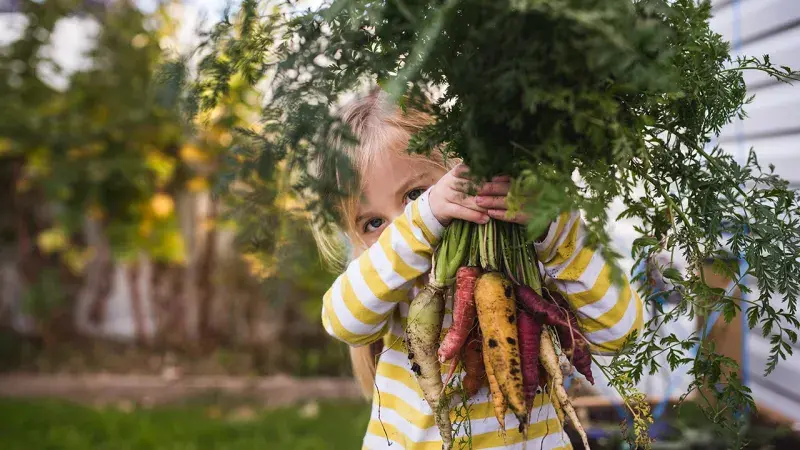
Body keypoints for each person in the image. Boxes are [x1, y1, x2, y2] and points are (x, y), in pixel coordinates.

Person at [311, 88, 643, 449]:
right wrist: (422, 220)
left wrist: (554, 229)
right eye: (372, 222)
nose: (400, 224)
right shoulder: (391, 284)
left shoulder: (529, 259)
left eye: (415, 195)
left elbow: (622, 334)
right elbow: (342, 320)